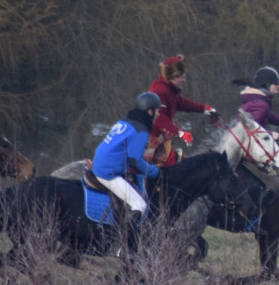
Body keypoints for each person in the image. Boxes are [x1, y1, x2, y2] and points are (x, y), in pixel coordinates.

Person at [91, 92, 161, 227]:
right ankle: (121, 242)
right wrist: (155, 172)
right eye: (157, 111)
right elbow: (135, 160)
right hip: (107, 172)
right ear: (150, 112)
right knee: (140, 205)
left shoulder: (125, 121)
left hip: (100, 162)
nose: (159, 114)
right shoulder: (141, 131)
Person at [146, 55, 218, 165]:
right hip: (146, 139)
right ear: (173, 77)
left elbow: (182, 103)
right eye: (182, 77)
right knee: (172, 165)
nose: (184, 80)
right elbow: (160, 119)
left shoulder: (168, 90)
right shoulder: (159, 92)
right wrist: (180, 133)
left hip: (155, 139)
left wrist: (204, 109)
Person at [234, 65, 279, 138]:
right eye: (275, 83)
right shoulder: (261, 104)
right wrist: (270, 134)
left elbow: (268, 116)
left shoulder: (256, 101)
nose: (278, 85)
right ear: (266, 85)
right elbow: (249, 129)